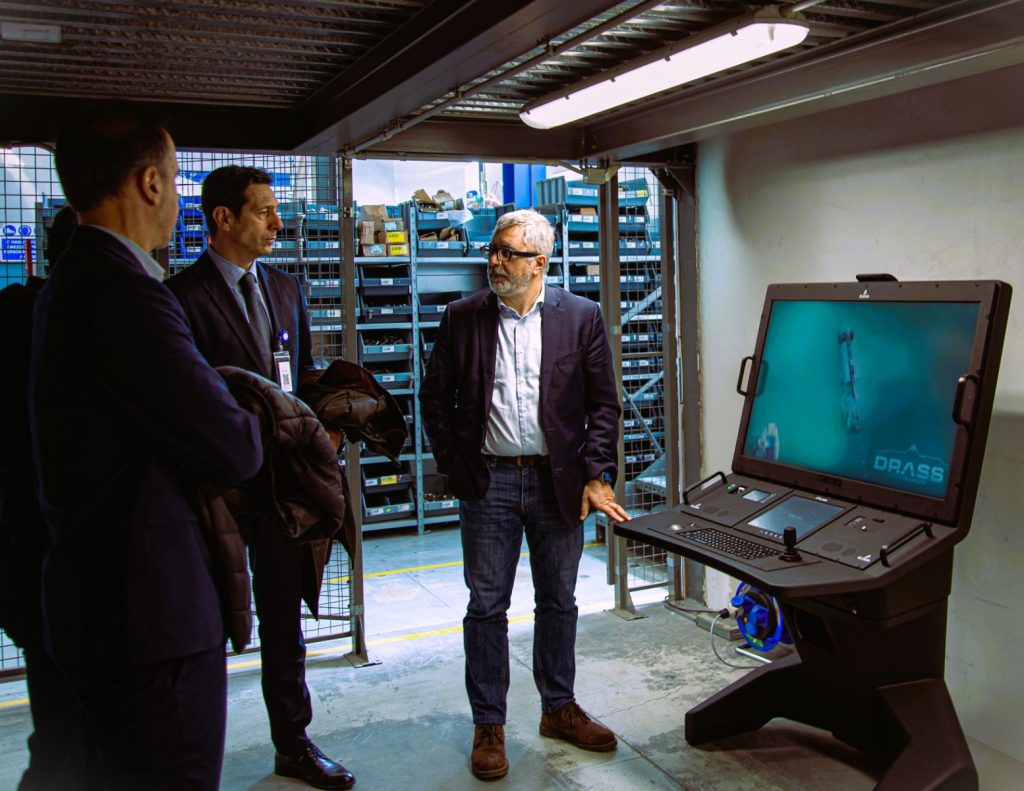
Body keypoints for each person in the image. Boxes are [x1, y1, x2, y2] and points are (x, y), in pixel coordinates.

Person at [28, 102, 264, 790]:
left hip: (98, 603)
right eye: (175, 175)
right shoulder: (125, 293)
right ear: (150, 183)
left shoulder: (74, 280)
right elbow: (234, 446)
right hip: (147, 618)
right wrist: (251, 409)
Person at [420, 207, 632, 781]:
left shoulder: (580, 317)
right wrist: (454, 463)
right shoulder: (462, 317)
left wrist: (597, 474)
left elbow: (603, 405)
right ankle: (488, 724)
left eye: (507, 253)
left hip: (555, 481)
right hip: (487, 481)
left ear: (538, 263)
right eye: (493, 250)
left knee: (558, 600)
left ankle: (558, 707)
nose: (495, 261)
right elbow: (434, 398)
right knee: (486, 605)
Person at [167, 166, 355, 790]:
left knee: (282, 620)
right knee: (199, 621)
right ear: (223, 218)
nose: (278, 223)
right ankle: (185, 752)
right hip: (212, 490)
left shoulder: (284, 287)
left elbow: (299, 373)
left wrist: (328, 422)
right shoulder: (181, 296)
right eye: (264, 211)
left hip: (280, 485)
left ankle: (293, 744)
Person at [0, 206, 92, 790]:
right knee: (68, 732)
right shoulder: (60, 324)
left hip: (33, 564)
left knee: (60, 729)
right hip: (53, 563)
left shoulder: (20, 315)